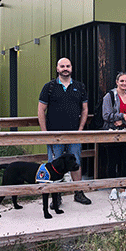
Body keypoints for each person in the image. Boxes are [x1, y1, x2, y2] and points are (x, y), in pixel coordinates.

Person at [37, 57, 92, 205]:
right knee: (54, 165)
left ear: (71, 68)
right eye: (62, 66)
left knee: (76, 162)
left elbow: (85, 109)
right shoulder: (49, 87)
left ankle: (78, 192)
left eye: (68, 66)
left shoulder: (80, 87)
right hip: (54, 134)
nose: (65, 68)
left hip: (74, 134)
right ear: (57, 69)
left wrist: (80, 129)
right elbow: (41, 110)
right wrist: (44, 133)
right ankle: (56, 196)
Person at [101, 72, 126, 201]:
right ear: (117, 82)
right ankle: (113, 189)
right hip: (113, 133)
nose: (124, 83)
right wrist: (121, 115)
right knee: (113, 161)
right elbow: (106, 115)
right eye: (122, 81)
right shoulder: (109, 96)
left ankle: (124, 189)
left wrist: (125, 120)